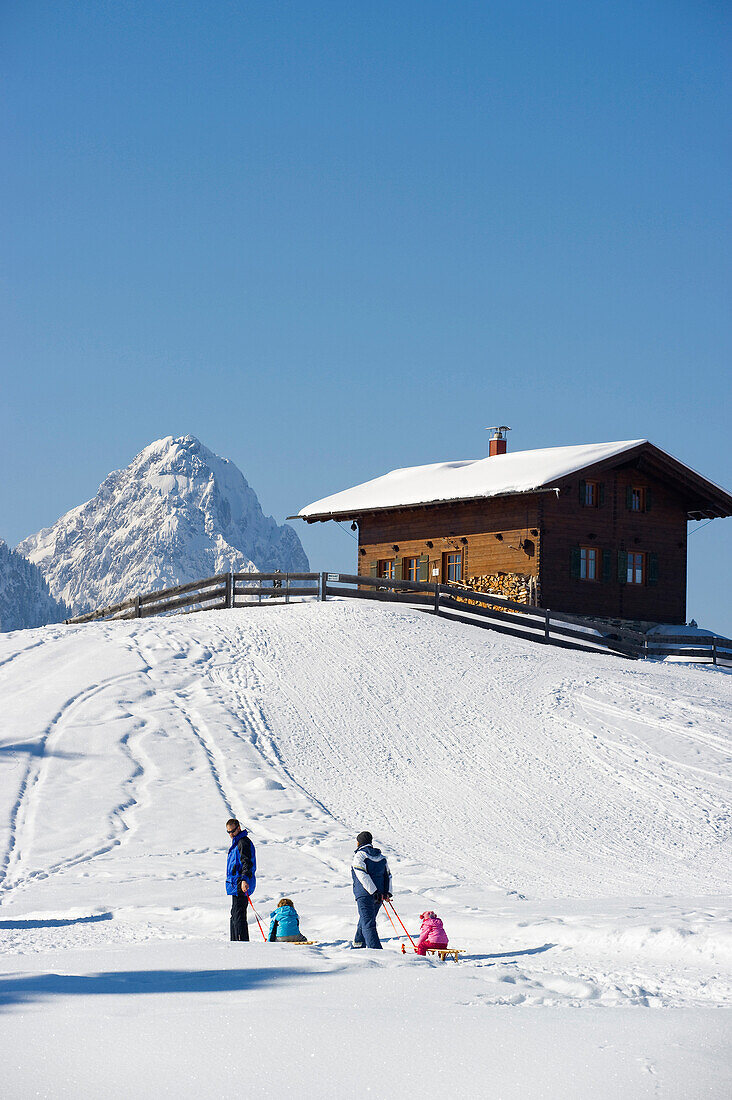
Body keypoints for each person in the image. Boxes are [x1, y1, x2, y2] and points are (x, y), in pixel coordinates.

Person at [351, 830, 392, 949]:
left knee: (368, 923)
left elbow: (362, 874)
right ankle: (357, 946)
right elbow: (388, 875)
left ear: (359, 843)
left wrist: (373, 891)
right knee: (365, 920)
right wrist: (386, 892)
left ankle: (376, 951)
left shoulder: (360, 856)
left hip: (366, 894)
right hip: (379, 895)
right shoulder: (381, 857)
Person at [226, 818, 256, 941]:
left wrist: (244, 879)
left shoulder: (243, 842)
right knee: (234, 915)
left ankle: (241, 943)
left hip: (241, 883)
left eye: (232, 831)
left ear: (238, 828)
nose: (231, 834)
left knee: (238, 915)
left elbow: (247, 863)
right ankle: (234, 941)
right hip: (234, 883)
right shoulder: (236, 843)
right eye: (228, 832)